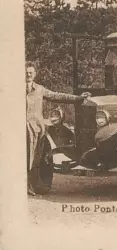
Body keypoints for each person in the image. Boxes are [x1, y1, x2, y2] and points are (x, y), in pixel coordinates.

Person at [25, 62, 91, 196]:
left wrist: (78, 98)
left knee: (36, 158)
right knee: (24, 158)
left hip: (36, 129)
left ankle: (32, 185)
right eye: (26, 72)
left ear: (35, 74)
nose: (28, 74)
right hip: (21, 129)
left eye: (31, 72)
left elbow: (58, 96)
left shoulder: (39, 89)